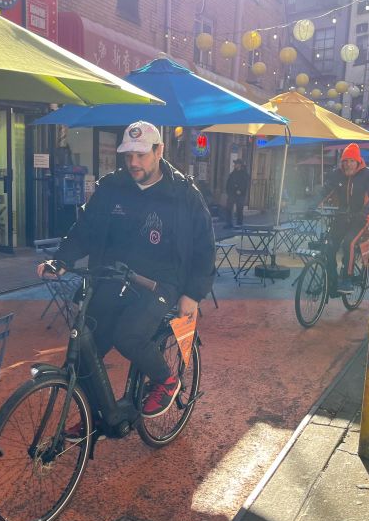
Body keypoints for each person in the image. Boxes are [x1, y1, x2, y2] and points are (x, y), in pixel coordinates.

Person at [38, 121, 215, 418]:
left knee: (129, 335)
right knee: (87, 348)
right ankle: (96, 419)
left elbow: (204, 246)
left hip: (162, 282)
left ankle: (166, 380)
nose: (133, 162)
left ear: (159, 151)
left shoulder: (183, 193)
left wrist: (193, 294)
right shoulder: (112, 187)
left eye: (141, 155)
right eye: (128, 155)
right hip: (114, 276)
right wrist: (62, 260)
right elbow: (85, 229)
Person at [320, 143, 369, 296]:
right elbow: (325, 191)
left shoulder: (368, 174)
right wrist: (310, 206)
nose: (348, 164)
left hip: (361, 217)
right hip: (342, 216)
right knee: (329, 246)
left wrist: (364, 211)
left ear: (358, 161)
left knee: (349, 243)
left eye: (352, 161)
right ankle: (332, 279)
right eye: (345, 161)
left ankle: (347, 278)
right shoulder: (337, 174)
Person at [224, 157, 250, 227]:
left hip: (240, 194)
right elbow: (229, 182)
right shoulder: (233, 173)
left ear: (240, 165)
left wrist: (240, 190)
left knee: (239, 209)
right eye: (235, 163)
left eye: (236, 163)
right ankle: (229, 223)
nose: (235, 165)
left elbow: (245, 184)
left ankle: (239, 224)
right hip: (232, 193)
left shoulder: (244, 174)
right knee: (228, 208)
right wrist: (228, 191)